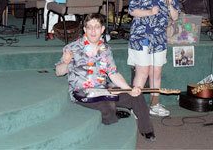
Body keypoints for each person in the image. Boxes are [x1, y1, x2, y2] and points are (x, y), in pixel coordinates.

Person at [55, 13, 155, 141]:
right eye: (89, 27)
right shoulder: (72, 48)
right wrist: (66, 62)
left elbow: (113, 73)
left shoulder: (106, 49)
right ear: (84, 29)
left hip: (103, 90)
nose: (93, 31)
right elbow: (59, 72)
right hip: (82, 93)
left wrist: (129, 89)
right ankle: (113, 121)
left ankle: (147, 130)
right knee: (107, 106)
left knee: (136, 95)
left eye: (96, 27)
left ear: (102, 30)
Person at [128, 0, 179, 117]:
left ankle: (155, 104)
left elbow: (175, 16)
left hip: (159, 38)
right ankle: (136, 106)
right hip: (141, 36)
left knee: (156, 72)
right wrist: (150, 12)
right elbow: (132, 11)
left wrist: (169, 4)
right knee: (142, 72)